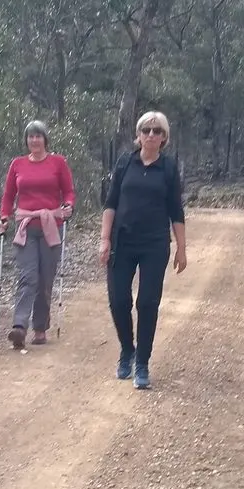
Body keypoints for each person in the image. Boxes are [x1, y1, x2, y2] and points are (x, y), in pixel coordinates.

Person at [99, 111, 187, 390]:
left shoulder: (169, 168)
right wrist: (104, 239)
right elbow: (111, 203)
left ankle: (142, 364)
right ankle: (128, 349)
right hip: (121, 241)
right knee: (118, 301)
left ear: (164, 138)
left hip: (154, 244)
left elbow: (176, 210)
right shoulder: (125, 163)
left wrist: (181, 248)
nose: (151, 135)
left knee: (147, 303)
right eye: (146, 130)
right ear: (138, 135)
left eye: (157, 131)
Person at [0, 120, 75, 348]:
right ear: (26, 140)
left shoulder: (58, 162)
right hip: (25, 227)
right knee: (27, 276)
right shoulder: (17, 164)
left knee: (45, 279)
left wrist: (69, 205)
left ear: (45, 139)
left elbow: (68, 191)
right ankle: (19, 326)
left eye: (38, 136)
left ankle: (40, 328)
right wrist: (4, 217)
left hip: (52, 225)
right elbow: (8, 196)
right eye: (30, 137)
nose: (34, 140)